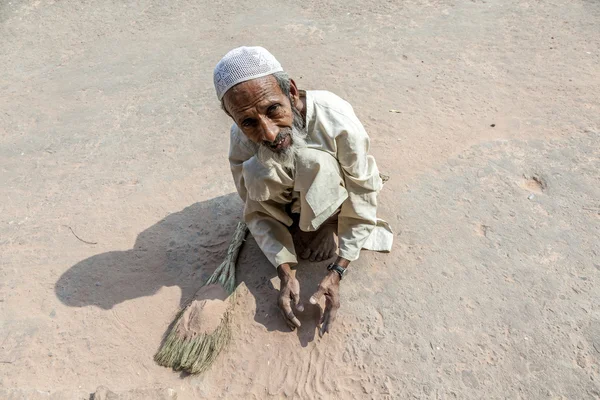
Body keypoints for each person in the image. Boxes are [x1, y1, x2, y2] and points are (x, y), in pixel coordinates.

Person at [214, 46, 393, 335]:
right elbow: (254, 206)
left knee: (313, 161)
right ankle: (299, 221)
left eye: (273, 109)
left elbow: (361, 191)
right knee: (255, 170)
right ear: (235, 121)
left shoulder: (336, 119)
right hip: (288, 199)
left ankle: (322, 224)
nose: (269, 133)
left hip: (333, 191)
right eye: (248, 122)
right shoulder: (242, 137)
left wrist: (337, 272)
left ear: (292, 93)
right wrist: (285, 271)